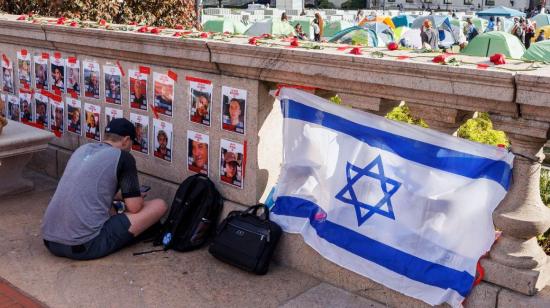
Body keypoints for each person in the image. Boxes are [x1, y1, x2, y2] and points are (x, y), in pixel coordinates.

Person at [42, 118, 168, 260]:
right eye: (132, 144)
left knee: (110, 207)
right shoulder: (124, 157)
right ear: (126, 140)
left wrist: (120, 196)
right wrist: (136, 196)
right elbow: (134, 207)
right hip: (83, 246)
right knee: (159, 205)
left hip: (50, 241)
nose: (130, 148)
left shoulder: (82, 150)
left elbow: (89, 188)